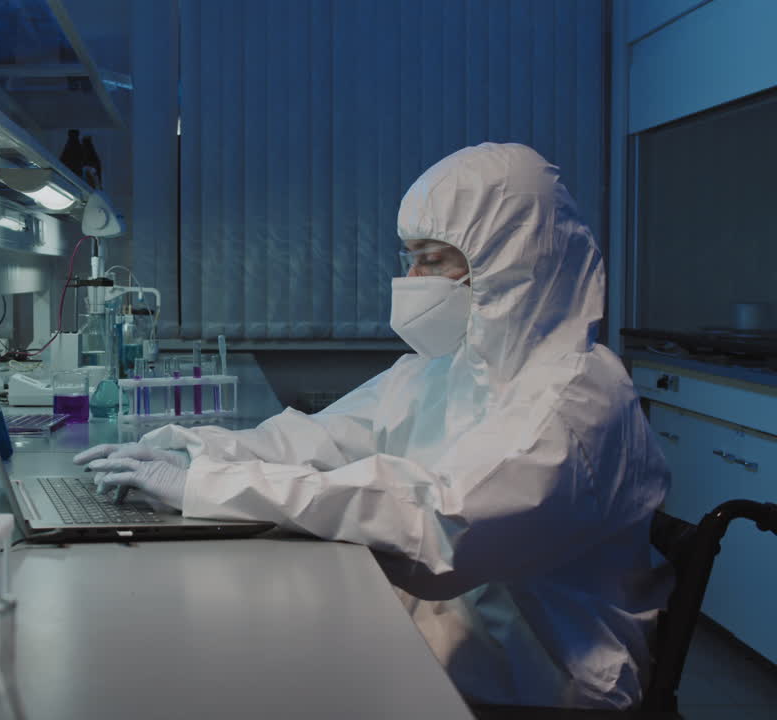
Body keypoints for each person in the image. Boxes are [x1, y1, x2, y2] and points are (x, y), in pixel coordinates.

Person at [75, 143, 671, 709]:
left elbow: (442, 530)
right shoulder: (445, 368)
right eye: (410, 256)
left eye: (433, 260)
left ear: (510, 263)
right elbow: (322, 439)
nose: (413, 278)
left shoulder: (575, 397)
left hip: (541, 667)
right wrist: (188, 450)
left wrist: (210, 488)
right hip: (467, 625)